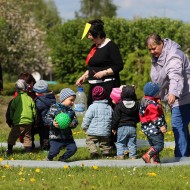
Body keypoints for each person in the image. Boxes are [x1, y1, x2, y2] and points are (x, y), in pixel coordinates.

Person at [146, 33, 190, 157]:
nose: (152, 51)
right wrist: (156, 97)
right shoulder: (157, 57)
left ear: (161, 44)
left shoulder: (174, 55)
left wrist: (173, 92)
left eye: (154, 48)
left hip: (184, 95)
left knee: (178, 125)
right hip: (177, 97)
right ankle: (187, 155)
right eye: (149, 49)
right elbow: (157, 80)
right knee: (182, 126)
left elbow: (175, 75)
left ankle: (181, 157)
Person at [76, 19, 123, 107]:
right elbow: (92, 66)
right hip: (94, 87)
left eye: (90, 35)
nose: (89, 37)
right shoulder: (94, 47)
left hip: (107, 87)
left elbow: (119, 66)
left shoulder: (111, 46)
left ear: (97, 34)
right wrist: (84, 76)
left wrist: (104, 73)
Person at [44, 88, 78, 161]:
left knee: (73, 149)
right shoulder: (54, 107)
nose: (72, 103)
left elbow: (75, 121)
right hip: (56, 136)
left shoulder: (71, 111)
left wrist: (72, 124)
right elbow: (47, 118)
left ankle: (63, 158)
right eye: (71, 100)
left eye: (73, 101)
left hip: (67, 137)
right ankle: (49, 158)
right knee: (54, 151)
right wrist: (52, 123)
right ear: (63, 99)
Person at [5, 79, 36, 154]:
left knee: (12, 136)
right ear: (26, 88)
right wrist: (33, 119)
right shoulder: (30, 99)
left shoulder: (15, 100)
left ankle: (9, 150)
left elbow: (11, 111)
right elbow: (34, 111)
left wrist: (12, 120)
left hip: (18, 122)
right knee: (27, 137)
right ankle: (28, 152)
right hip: (28, 122)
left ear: (16, 89)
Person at [81, 86, 113, 158]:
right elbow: (112, 118)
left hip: (93, 131)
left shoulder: (92, 107)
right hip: (105, 131)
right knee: (104, 143)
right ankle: (106, 153)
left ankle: (94, 152)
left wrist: (84, 126)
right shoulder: (109, 107)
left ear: (93, 96)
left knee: (89, 140)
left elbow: (87, 118)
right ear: (105, 95)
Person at [139, 82, 167, 164]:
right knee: (159, 145)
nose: (160, 93)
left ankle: (155, 161)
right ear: (154, 94)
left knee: (154, 146)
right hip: (154, 129)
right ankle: (147, 155)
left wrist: (158, 104)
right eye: (158, 92)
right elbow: (155, 117)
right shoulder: (152, 105)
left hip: (148, 130)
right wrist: (161, 125)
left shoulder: (145, 101)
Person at [111, 85, 139, 160]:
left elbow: (115, 118)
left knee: (120, 142)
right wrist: (136, 121)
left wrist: (113, 127)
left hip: (122, 127)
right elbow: (138, 116)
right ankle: (133, 156)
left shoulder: (119, 105)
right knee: (132, 143)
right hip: (133, 127)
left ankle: (120, 155)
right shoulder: (136, 104)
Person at [33, 80, 56, 151]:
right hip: (51, 121)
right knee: (48, 135)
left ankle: (45, 148)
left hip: (42, 122)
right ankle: (51, 146)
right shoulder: (51, 98)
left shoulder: (39, 101)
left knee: (43, 136)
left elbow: (37, 111)